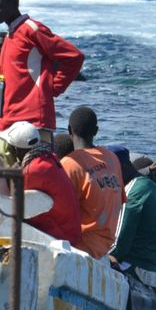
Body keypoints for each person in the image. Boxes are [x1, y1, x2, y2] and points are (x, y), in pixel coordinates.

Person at [0, 0, 84, 140]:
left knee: (35, 166)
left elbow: (73, 57)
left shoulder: (31, 29)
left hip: (33, 123)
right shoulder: (9, 36)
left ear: (15, 3)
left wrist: (52, 88)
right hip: (6, 122)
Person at [0, 121, 82, 244]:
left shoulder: (33, 171)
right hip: (70, 231)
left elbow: (16, 207)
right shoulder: (49, 157)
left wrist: (14, 178)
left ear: (16, 150)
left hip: (62, 238)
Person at [60, 106, 124, 259]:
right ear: (96, 131)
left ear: (69, 130)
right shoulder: (112, 159)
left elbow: (59, 213)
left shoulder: (70, 164)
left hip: (80, 249)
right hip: (105, 249)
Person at [107, 145, 156, 288]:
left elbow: (119, 246)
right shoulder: (148, 186)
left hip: (139, 269)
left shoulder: (133, 193)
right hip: (155, 270)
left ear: (120, 168)